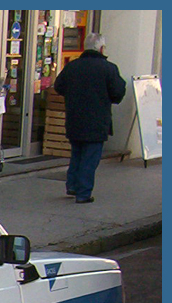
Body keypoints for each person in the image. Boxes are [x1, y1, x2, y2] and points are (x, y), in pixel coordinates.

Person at [53, 32, 126, 204]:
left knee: (77, 154)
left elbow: (59, 86)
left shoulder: (72, 66)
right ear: (101, 48)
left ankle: (72, 185)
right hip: (97, 121)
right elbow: (118, 92)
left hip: (75, 119)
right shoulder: (109, 68)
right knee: (90, 158)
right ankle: (83, 193)